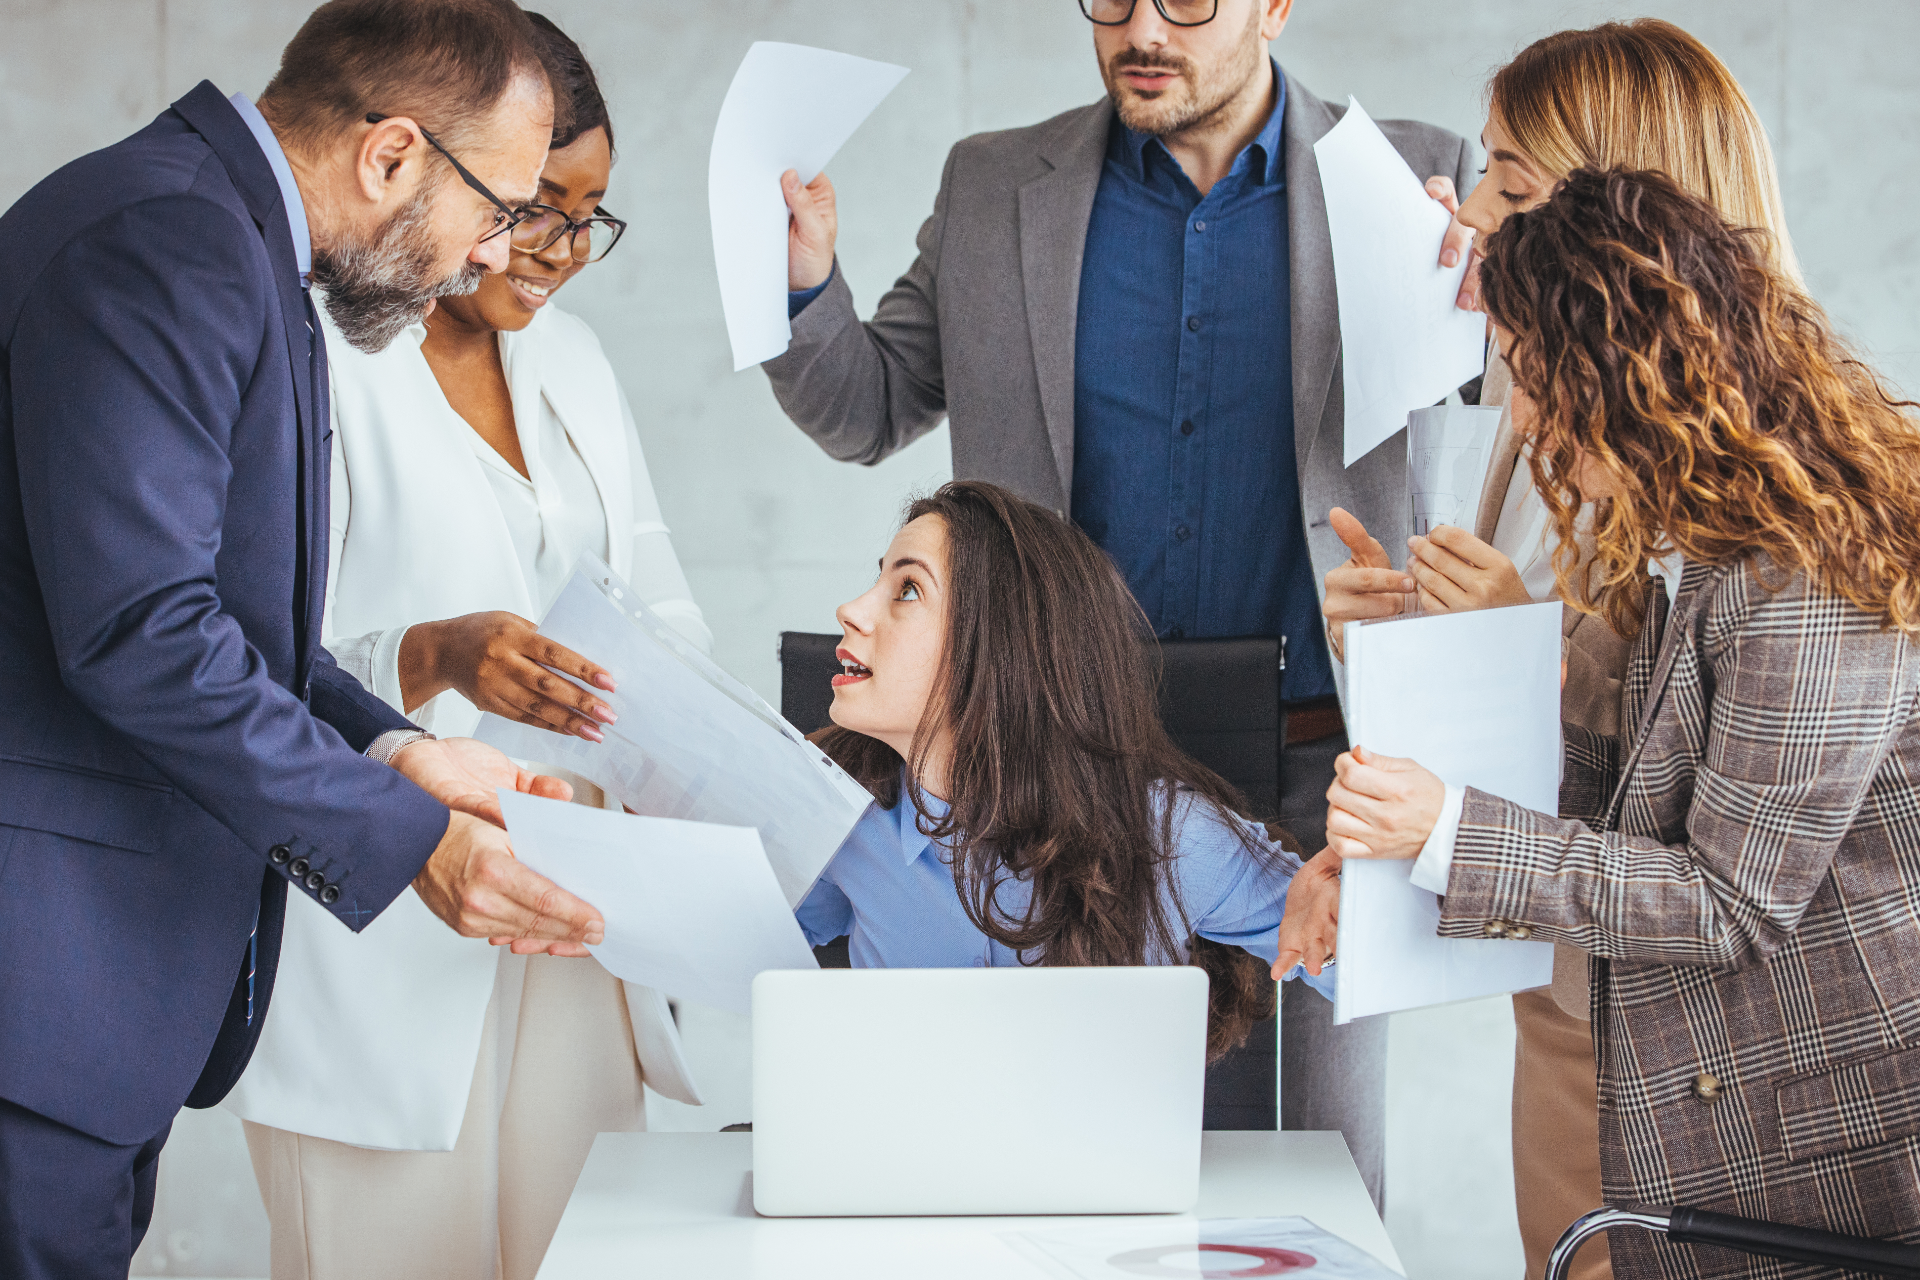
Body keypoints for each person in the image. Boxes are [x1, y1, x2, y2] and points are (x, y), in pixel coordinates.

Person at [766, 0, 1477, 1200]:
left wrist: (1514, 305)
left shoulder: (1419, 176)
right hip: (1051, 752)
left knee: (1315, 1166)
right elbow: (867, 406)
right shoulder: (996, 185)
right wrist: (800, 285)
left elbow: (1542, 396)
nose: (1142, 28)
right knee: (1038, 1146)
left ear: (1274, 6)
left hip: (1321, 755)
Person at [0, 3, 611, 1276]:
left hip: (81, 1002)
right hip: (37, 990)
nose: (485, 255)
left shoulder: (229, 242)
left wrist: (394, 751)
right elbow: (142, 634)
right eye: (497, 208)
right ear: (392, 155)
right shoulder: (168, 241)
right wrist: (413, 844)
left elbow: (222, 617)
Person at [1312, 166, 1920, 1279]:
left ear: (1632, 373)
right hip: (1727, 1111)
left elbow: (1728, 898)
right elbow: (1629, 785)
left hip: (1834, 1151)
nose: (1529, 418)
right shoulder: (1707, 543)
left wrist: (1445, 830)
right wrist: (1425, 671)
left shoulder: (1808, 579)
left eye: (1542, 379)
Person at [219, 17, 702, 1280]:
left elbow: (665, 610)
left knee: (584, 1250)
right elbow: (244, 646)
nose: (558, 252)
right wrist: (432, 655)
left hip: (577, 920)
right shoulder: (318, 354)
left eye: (591, 215)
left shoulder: (579, 366)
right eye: (538, 206)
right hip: (377, 923)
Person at [799, 481, 1333, 1063]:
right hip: (894, 1150)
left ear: (1001, 649)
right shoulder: (843, 817)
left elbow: (1363, 961)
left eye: (906, 589)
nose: (850, 611)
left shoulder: (1172, 836)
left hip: (1110, 1152)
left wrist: (1334, 933)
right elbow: (740, 950)